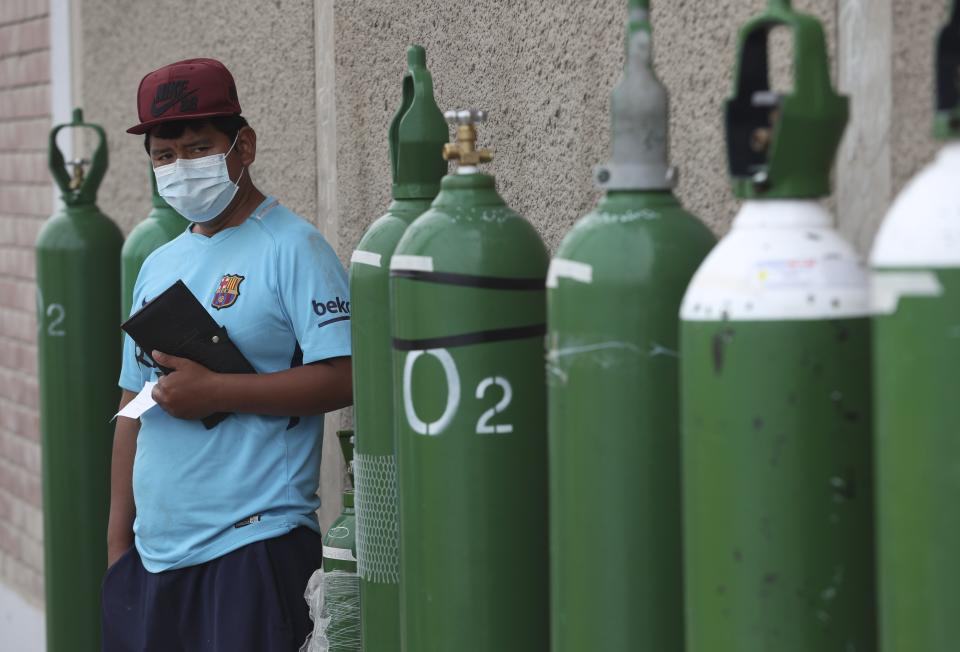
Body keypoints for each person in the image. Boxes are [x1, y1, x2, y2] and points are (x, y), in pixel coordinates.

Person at [102, 58, 353, 651]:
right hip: (153, 556)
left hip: (253, 546)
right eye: (164, 156)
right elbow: (133, 401)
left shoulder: (294, 248)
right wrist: (118, 544)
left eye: (198, 148)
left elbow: (346, 378)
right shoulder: (159, 263)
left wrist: (218, 392)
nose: (180, 167)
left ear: (244, 145)